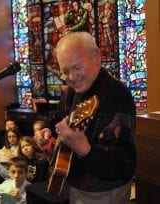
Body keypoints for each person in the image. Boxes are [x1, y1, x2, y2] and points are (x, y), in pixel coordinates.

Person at [53, 32, 136, 203]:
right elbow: (59, 116)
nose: (72, 77)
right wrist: (47, 129)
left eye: (76, 68)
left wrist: (85, 149)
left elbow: (122, 161)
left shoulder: (118, 96)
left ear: (96, 57)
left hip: (103, 190)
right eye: (65, 71)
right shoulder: (73, 90)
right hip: (76, 182)